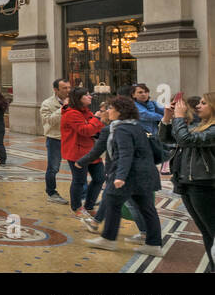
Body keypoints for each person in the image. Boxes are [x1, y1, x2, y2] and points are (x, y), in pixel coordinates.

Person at [82, 96, 163, 254]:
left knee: (112, 201)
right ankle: (154, 245)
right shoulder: (136, 126)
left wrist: (120, 176)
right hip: (145, 174)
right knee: (147, 208)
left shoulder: (122, 129)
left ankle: (108, 239)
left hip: (131, 176)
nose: (108, 111)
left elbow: (126, 154)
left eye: (111, 108)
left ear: (120, 112)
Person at [159, 92, 214, 270]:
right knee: (206, 231)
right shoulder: (201, 125)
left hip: (203, 184)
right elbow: (167, 138)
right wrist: (168, 119)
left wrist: (180, 117)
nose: (198, 105)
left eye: (204, 103)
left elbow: (186, 139)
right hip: (187, 182)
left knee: (212, 231)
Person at [62, 86, 107, 218]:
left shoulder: (86, 111)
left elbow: (95, 130)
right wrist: (97, 119)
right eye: (86, 95)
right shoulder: (71, 113)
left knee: (99, 178)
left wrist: (100, 122)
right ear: (78, 99)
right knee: (79, 181)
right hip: (77, 152)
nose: (90, 96)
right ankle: (76, 207)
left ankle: (89, 205)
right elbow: (85, 130)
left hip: (91, 151)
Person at [40, 78, 71, 202]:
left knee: (79, 166)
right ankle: (51, 193)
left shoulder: (74, 101)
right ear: (56, 90)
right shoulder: (47, 104)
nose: (68, 90)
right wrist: (63, 108)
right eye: (64, 88)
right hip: (55, 139)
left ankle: (83, 194)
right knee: (53, 167)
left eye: (69, 87)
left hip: (72, 139)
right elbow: (49, 121)